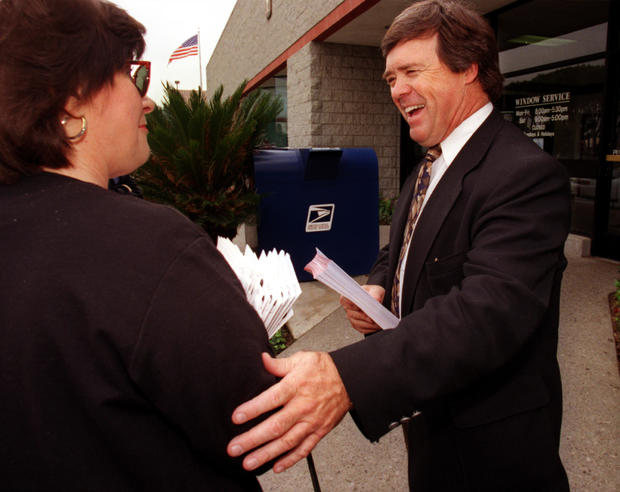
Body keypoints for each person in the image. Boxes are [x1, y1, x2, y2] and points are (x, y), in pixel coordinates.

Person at [226, 1, 571, 490]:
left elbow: (487, 312)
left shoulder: (525, 176)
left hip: (494, 447)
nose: (397, 89)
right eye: (390, 78)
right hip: (431, 422)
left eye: (411, 71)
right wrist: (379, 287)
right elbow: (403, 248)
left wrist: (345, 377)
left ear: (469, 69)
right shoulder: (427, 166)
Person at [0, 0, 279, 490]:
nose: (146, 101)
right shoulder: (154, 246)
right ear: (71, 101)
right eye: (133, 75)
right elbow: (256, 417)